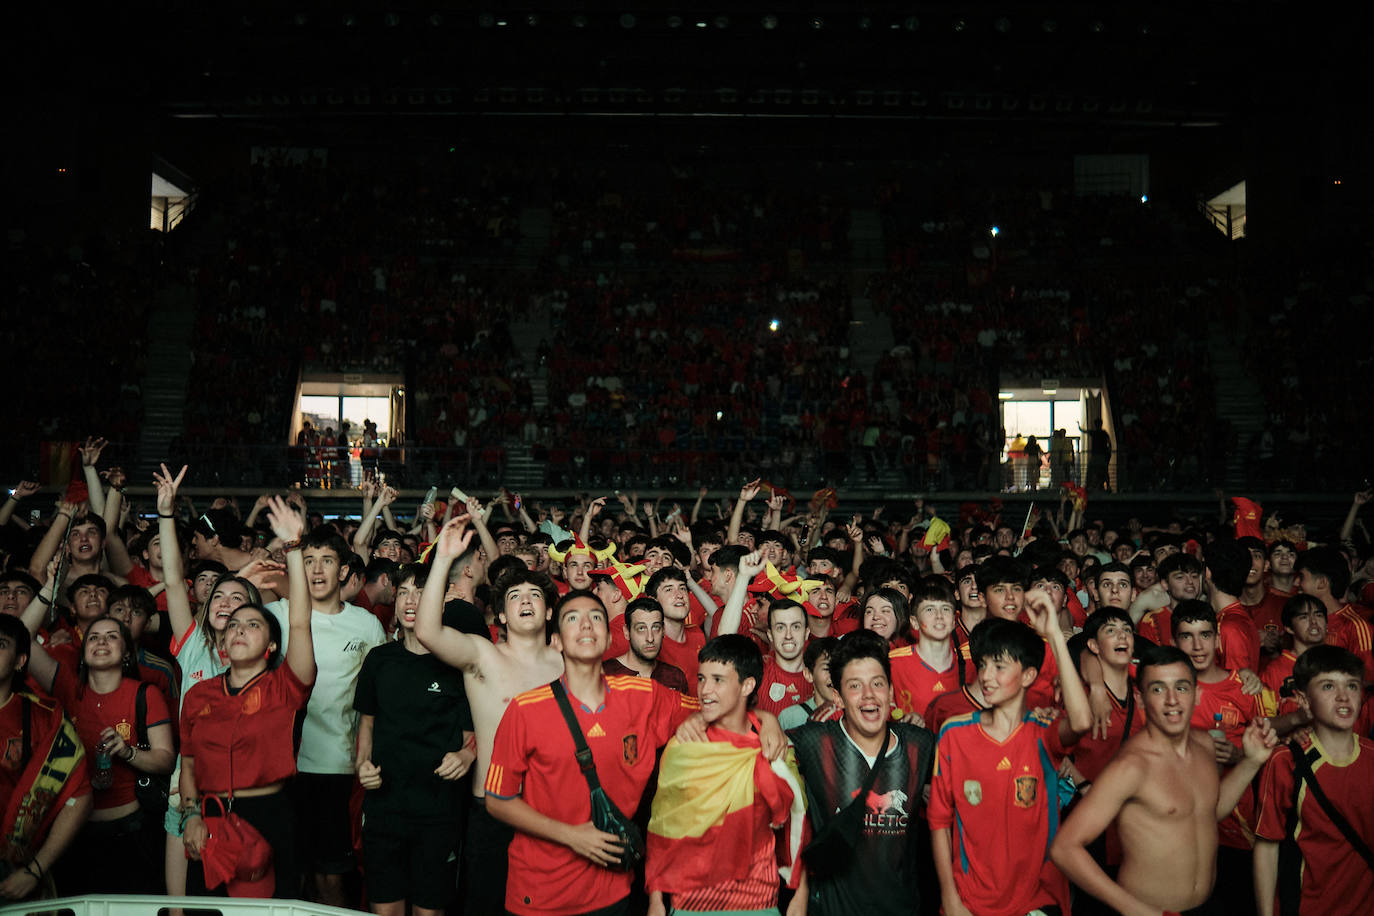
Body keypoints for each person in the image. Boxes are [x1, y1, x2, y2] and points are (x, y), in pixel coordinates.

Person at [484, 589, 703, 915]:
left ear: (607, 637)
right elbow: (497, 799)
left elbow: (716, 711)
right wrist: (571, 836)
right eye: (573, 618)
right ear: (556, 640)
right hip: (541, 890)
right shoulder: (525, 710)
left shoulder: (643, 695)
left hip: (611, 889)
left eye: (596, 618)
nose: (586, 625)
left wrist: (767, 722)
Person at [1050, 644, 1278, 915]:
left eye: (1181, 687)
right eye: (1158, 689)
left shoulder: (1205, 744)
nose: (1172, 700)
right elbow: (1065, 848)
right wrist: (1132, 909)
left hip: (1207, 905)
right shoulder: (1131, 766)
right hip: (1151, 910)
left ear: (1197, 695)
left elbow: (1207, 811)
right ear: (1142, 699)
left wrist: (1251, 762)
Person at [415, 516, 565, 916]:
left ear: (549, 613)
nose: (527, 601)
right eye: (514, 597)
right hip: (493, 809)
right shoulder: (483, 656)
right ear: (500, 616)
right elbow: (428, 631)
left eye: (535, 595)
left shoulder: (566, 663)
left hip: (553, 808)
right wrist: (443, 561)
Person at [179, 495, 315, 899]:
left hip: (270, 817)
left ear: (272, 645)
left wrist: (293, 547)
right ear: (221, 641)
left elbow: (301, 619)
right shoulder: (200, 695)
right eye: (233, 625)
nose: (238, 629)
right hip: (208, 817)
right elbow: (188, 763)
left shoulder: (285, 686)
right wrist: (190, 815)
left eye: (252, 624)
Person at [928, 588, 1093, 916]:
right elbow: (938, 821)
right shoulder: (955, 733)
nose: (987, 677)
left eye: (1000, 667)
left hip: (1035, 899)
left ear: (1029, 676)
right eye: (984, 665)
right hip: (970, 900)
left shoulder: (1042, 733)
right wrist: (950, 897)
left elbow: (1082, 720)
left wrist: (1053, 637)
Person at [16, 584, 176, 896]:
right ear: (83, 650)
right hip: (74, 834)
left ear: (127, 651)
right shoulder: (65, 686)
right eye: (94, 637)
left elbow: (165, 758)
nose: (101, 642)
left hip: (132, 831)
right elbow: (20, 634)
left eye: (112, 636)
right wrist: (50, 587)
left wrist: (128, 752)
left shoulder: (145, 693)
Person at [265, 523, 386, 905]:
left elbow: (375, 703)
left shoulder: (366, 625)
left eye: (327, 561)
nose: (317, 571)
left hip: (338, 768)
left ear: (344, 571)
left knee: (332, 878)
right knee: (290, 877)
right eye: (309, 561)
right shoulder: (274, 616)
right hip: (282, 770)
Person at [645, 634, 806, 916]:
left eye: (718, 680)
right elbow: (664, 825)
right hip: (690, 901)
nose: (705, 690)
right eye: (702, 679)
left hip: (757, 900)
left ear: (747, 685)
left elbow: (797, 823)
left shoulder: (772, 747)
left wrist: (800, 894)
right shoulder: (684, 747)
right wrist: (656, 900)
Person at [354, 562, 476, 916]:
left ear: (439, 603)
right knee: (385, 909)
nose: (411, 601)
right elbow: (367, 725)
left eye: (421, 592)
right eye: (404, 591)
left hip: (438, 810)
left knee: (429, 911)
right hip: (384, 808)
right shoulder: (379, 660)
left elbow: (475, 734)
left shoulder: (457, 663)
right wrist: (362, 765)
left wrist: (467, 757)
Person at [788, 629, 936, 915]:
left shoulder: (921, 745)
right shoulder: (814, 743)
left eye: (878, 684)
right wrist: (766, 720)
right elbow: (745, 737)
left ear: (891, 691)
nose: (869, 696)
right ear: (838, 697)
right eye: (855, 686)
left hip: (903, 908)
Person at [1253, 646, 1374, 916]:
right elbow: (1266, 847)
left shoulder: (1371, 757)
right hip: (1305, 907)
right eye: (1328, 686)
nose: (1344, 697)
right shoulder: (1285, 761)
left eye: (1352, 686)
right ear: (1304, 700)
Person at [0, 614, 92, 901]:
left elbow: (80, 797)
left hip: (16, 870)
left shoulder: (43, 717)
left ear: (20, 661)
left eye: (1, 644)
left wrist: (35, 871)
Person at [890, 576, 963, 721]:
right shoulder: (893, 662)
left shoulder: (969, 663)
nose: (939, 616)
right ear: (914, 622)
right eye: (929, 609)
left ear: (954, 621)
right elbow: (882, 707)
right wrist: (902, 720)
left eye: (946, 609)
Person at [602, 596, 690, 693]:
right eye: (641, 628)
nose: (650, 638)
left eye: (656, 627)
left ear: (663, 630)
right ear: (627, 632)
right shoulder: (606, 673)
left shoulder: (675, 677)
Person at [778, 636, 839, 729]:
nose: (834, 675)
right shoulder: (790, 718)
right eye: (827, 668)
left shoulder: (854, 715)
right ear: (809, 674)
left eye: (839, 668)